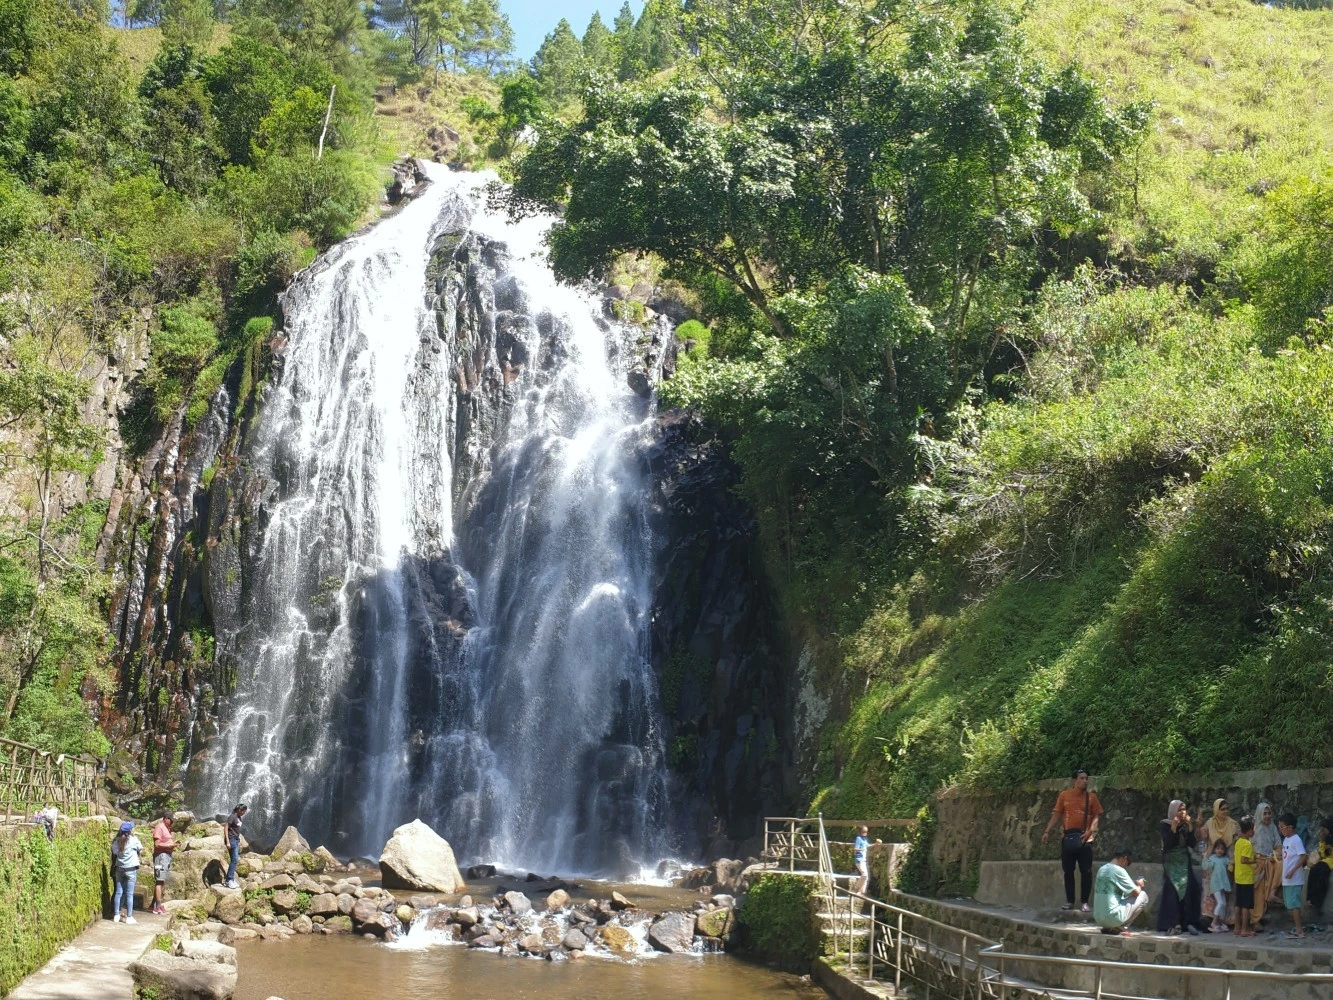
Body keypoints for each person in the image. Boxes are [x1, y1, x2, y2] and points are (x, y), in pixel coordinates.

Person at [1040, 768, 1103, 912]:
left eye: (1086, 778)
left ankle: (1085, 902)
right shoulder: (1064, 796)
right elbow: (1056, 814)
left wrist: (1090, 830)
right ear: (1074, 781)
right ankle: (1070, 901)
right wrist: (1047, 831)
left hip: (1085, 838)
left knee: (1086, 871)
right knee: (1068, 871)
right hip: (1068, 837)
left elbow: (1096, 816)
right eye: (1081, 778)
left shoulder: (1091, 797)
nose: (1085, 781)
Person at [1157, 799, 1203, 935]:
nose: (1183, 813)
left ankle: (1188, 922)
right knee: (1172, 892)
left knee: (1189, 890)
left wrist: (1190, 828)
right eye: (1179, 810)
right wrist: (1174, 828)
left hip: (1184, 861)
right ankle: (1173, 923)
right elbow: (1168, 844)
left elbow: (1191, 844)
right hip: (1171, 862)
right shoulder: (1165, 825)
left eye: (1184, 810)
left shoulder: (1185, 825)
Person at [1199, 798, 1239, 928]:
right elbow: (1201, 837)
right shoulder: (1210, 823)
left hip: (1228, 862)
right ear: (1216, 810)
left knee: (1227, 891)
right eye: (1222, 809)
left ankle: (1227, 920)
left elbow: (1239, 841)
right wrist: (1198, 824)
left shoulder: (1233, 824)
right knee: (1210, 892)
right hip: (1212, 862)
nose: (1225, 811)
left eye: (1227, 809)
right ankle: (1209, 917)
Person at [1093, 848, 1149, 936]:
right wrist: (1140, 884)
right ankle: (1120, 926)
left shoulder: (1102, 869)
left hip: (1099, 918)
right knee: (1143, 895)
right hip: (1112, 917)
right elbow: (1136, 892)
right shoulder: (1119, 870)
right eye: (1128, 863)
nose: (1126, 866)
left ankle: (1109, 926)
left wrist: (1133, 882)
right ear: (1124, 858)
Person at [1250, 800, 1282, 925]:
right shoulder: (1254, 828)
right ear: (1259, 814)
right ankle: (1255, 921)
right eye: (1265, 813)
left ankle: (1272, 894)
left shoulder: (1272, 827)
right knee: (1257, 893)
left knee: (1281, 865)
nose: (1268, 816)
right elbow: (1249, 847)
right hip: (1257, 863)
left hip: (1270, 860)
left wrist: (1275, 855)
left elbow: (1279, 845)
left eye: (1269, 813)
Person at [1280, 812, 1307, 938]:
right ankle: (1297, 928)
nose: (1281, 830)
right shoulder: (1286, 839)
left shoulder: (1296, 840)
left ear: (1290, 827)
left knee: (1295, 904)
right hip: (1287, 879)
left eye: (1282, 827)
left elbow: (1303, 857)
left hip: (1294, 879)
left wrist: (1293, 871)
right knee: (1290, 904)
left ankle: (1299, 930)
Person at [111, 820, 143, 924]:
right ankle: (129, 917)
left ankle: (116, 915)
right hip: (131, 870)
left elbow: (115, 851)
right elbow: (140, 848)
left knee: (118, 892)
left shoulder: (117, 840)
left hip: (119, 868)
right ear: (129, 831)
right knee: (129, 894)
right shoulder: (133, 839)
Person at [1233, 815, 1257, 937]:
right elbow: (1244, 860)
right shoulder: (1247, 844)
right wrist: (1255, 860)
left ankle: (1237, 928)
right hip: (1247, 879)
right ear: (1250, 830)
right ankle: (1244, 929)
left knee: (1238, 905)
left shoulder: (1238, 842)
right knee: (1246, 906)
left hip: (1238, 877)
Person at [1201, 839, 1231, 932]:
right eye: (1218, 848)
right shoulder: (1212, 858)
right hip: (1215, 884)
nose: (1220, 850)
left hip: (1222, 884)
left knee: (1224, 904)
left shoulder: (1225, 859)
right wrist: (1205, 857)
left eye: (1222, 849)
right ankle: (1214, 923)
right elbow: (1205, 866)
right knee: (1220, 903)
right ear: (1214, 849)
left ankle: (1221, 923)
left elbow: (1231, 863)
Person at [150, 813, 176, 915]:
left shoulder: (167, 828)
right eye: (171, 820)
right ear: (165, 819)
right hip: (160, 857)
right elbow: (157, 844)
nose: (173, 822)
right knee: (159, 881)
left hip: (165, 857)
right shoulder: (159, 827)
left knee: (161, 880)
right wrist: (169, 845)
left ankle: (154, 904)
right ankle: (157, 907)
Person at [1307, 820, 1332, 916]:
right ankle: (1310, 898)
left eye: (1324, 829)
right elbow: (1323, 854)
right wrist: (1321, 841)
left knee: (1322, 874)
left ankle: (1317, 902)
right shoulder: (1326, 838)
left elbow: (1327, 853)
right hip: (1326, 861)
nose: (1322, 831)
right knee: (1313, 870)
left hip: (1330, 862)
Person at [224, 803, 247, 889]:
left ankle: (230, 880)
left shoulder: (238, 817)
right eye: (243, 811)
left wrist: (239, 841)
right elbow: (226, 828)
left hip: (236, 840)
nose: (244, 812)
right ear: (239, 810)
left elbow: (236, 830)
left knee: (234, 859)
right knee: (234, 859)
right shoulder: (232, 816)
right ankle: (229, 880)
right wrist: (227, 841)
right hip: (231, 840)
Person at [853, 825, 871, 895]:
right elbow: (855, 849)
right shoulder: (858, 838)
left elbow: (868, 846)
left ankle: (861, 891)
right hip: (859, 859)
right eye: (863, 831)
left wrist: (876, 844)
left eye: (866, 831)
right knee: (864, 875)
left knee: (866, 877)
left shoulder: (865, 839)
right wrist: (862, 849)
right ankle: (856, 888)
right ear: (860, 831)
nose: (865, 833)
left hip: (864, 860)